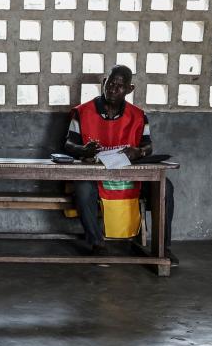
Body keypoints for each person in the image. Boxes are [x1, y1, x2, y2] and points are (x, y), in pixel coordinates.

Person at [64, 65, 178, 266]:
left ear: (129, 89)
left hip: (129, 177)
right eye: (110, 84)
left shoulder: (138, 116)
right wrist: (83, 150)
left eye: (120, 86)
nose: (112, 89)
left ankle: (163, 248)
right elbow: (67, 144)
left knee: (165, 187)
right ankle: (97, 245)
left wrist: (139, 152)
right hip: (95, 175)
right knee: (82, 189)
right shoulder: (83, 112)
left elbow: (148, 146)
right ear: (104, 82)